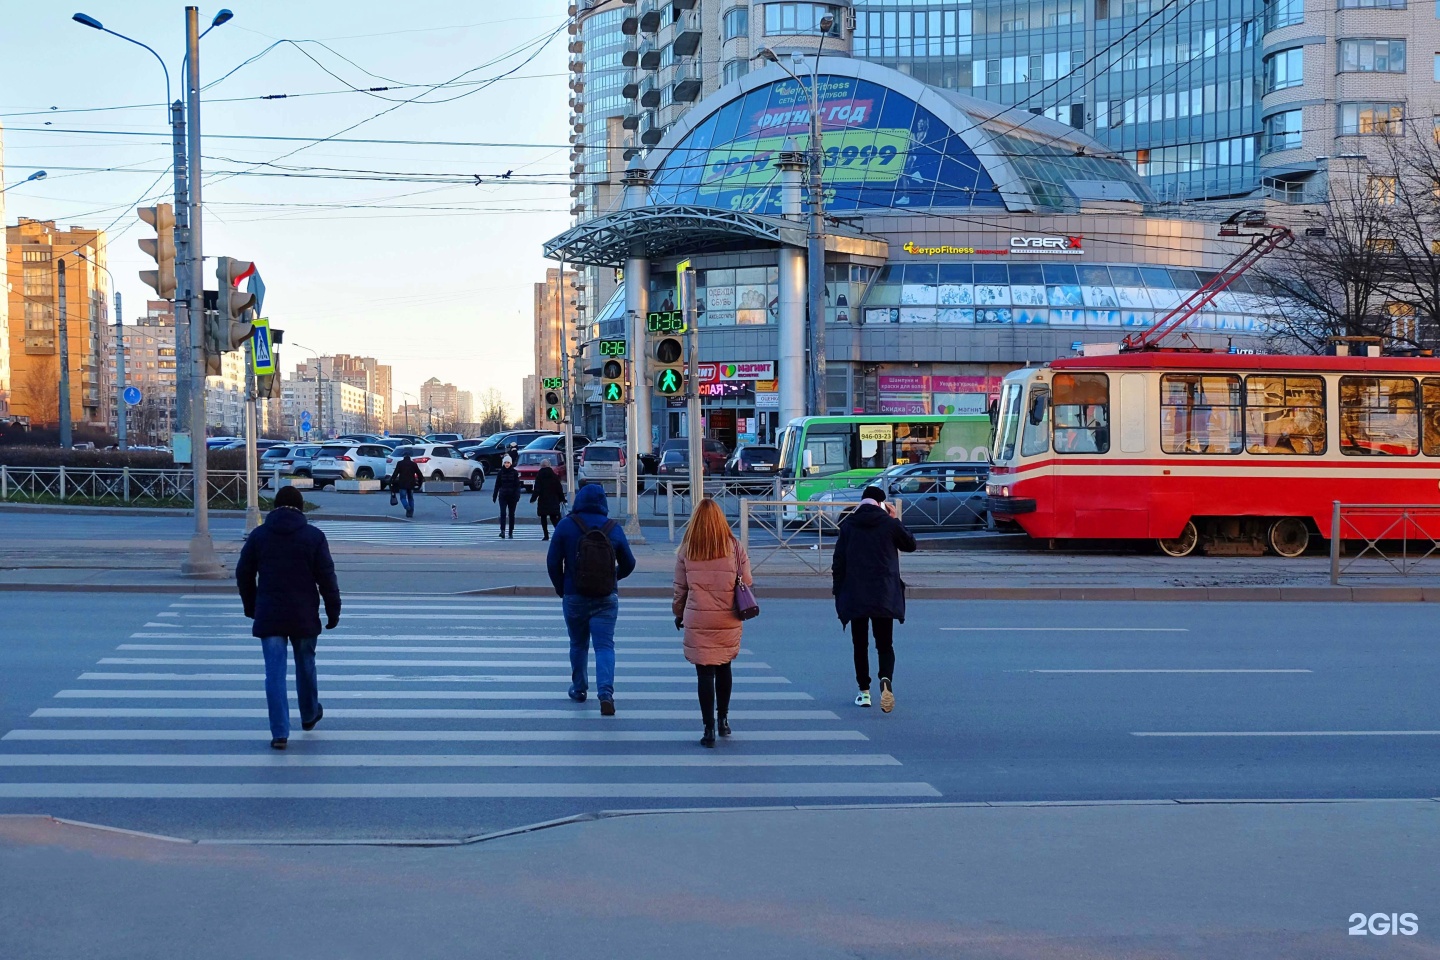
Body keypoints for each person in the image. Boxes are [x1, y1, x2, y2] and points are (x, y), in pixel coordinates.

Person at [235, 485, 341, 749]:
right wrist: (333, 609)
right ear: (301, 507)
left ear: (275, 508)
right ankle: (308, 715)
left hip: (270, 613)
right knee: (306, 665)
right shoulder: (313, 536)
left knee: (274, 673)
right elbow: (326, 577)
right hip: (304, 614)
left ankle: (280, 732)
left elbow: (243, 574)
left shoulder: (259, 536)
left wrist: (251, 606)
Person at [546, 482, 636, 715]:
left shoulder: (566, 526)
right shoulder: (613, 528)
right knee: (605, 646)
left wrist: (561, 588)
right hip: (606, 597)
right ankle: (605, 693)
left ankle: (579, 688)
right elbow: (630, 563)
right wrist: (613, 577)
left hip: (574, 595)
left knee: (578, 644)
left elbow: (552, 562)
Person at [672, 497, 752, 747]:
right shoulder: (734, 546)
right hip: (728, 616)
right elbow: (747, 581)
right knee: (724, 666)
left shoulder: (687, 548)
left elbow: (680, 589)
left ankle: (707, 729)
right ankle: (723, 720)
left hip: (698, 617)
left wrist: (678, 613)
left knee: (704, 674)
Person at [832, 485, 916, 713]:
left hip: (855, 593)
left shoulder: (848, 525)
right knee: (884, 644)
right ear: (881, 503)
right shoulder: (889, 524)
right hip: (884, 594)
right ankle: (886, 679)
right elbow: (911, 545)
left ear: (862, 501)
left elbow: (838, 563)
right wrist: (895, 520)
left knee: (860, 644)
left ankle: (864, 692)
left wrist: (838, 591)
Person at [530, 462, 566, 541]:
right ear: (549, 466)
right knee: (554, 518)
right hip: (554, 500)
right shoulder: (554, 476)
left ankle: (546, 535)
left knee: (543, 518)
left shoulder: (539, 475)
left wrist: (533, 498)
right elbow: (559, 489)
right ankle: (559, 533)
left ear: (541, 466)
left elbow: (537, 489)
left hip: (543, 500)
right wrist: (562, 499)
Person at [492, 455, 522, 538]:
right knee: (503, 513)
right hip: (503, 496)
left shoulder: (515, 472)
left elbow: (517, 486)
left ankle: (511, 531)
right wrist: (494, 495)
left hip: (512, 497)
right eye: (505, 462)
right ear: (503, 463)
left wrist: (517, 495)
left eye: (508, 462)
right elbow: (497, 485)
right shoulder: (500, 472)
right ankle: (502, 531)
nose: (507, 464)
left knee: (511, 514)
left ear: (511, 463)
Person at [390, 450, 422, 519]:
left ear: (403, 456)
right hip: (411, 484)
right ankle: (410, 512)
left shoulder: (400, 463)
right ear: (410, 456)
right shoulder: (413, 464)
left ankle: (407, 507)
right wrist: (420, 482)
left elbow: (395, 473)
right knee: (411, 498)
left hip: (402, 484)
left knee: (402, 498)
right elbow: (419, 474)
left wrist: (391, 481)